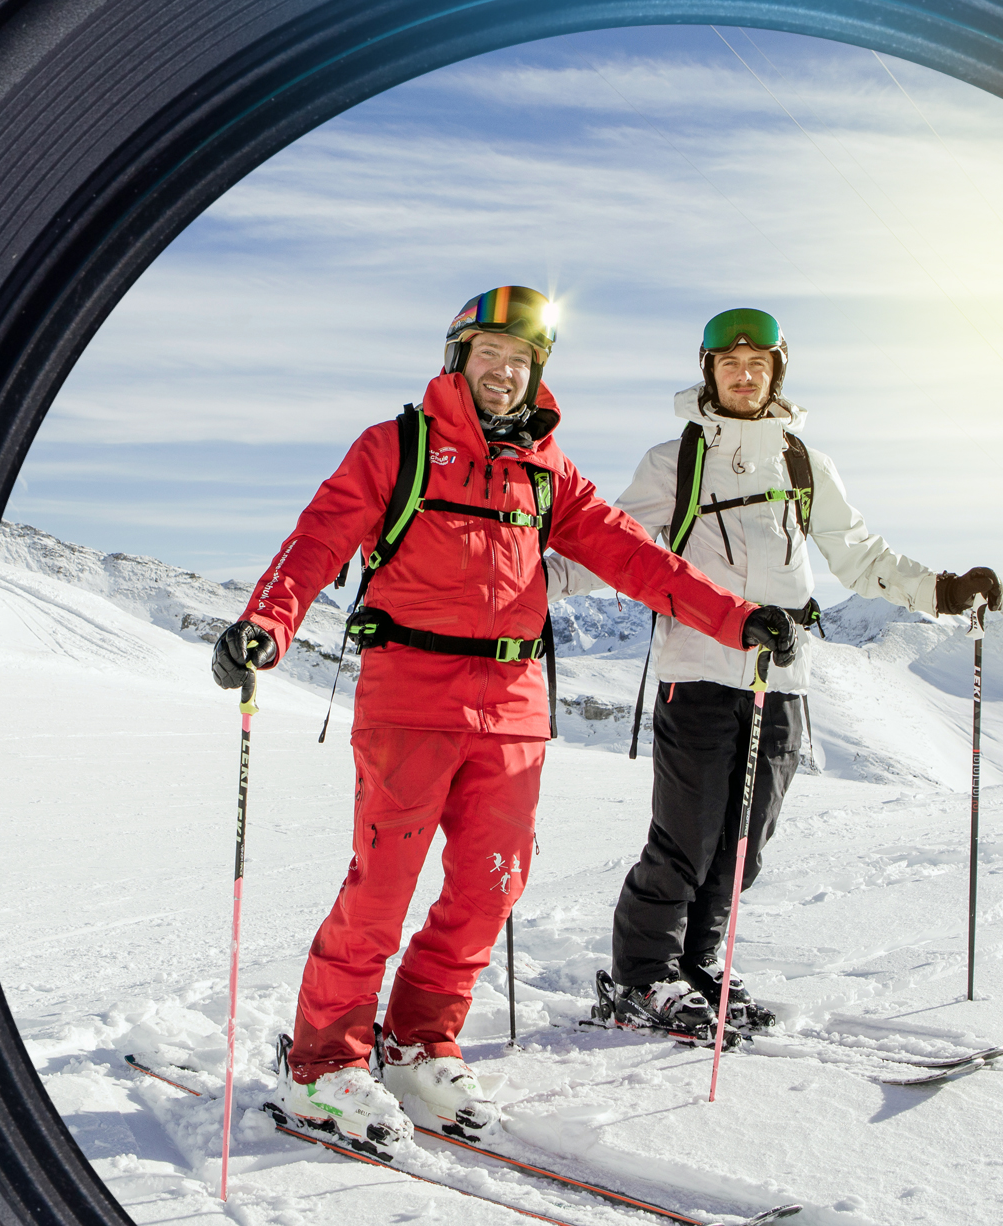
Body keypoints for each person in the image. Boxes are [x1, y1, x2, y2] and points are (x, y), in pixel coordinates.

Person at [211, 288, 798, 1154]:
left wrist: (733, 616)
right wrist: (267, 621)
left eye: (522, 361)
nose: (506, 372)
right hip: (410, 695)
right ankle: (324, 1063)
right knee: (380, 889)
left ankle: (418, 1039)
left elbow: (636, 557)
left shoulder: (546, 469)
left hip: (513, 707)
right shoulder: (396, 447)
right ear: (460, 357)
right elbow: (319, 538)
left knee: (491, 885)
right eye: (491, 354)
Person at [546, 308, 1002, 1039]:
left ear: (777, 371)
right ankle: (642, 975)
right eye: (729, 361)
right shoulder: (676, 460)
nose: (744, 371)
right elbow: (616, 544)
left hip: (780, 681)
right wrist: (527, 584)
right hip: (696, 672)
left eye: (758, 360)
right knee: (685, 839)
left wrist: (942, 591)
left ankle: (697, 965)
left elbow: (860, 554)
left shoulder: (802, 463)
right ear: (709, 371)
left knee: (743, 845)